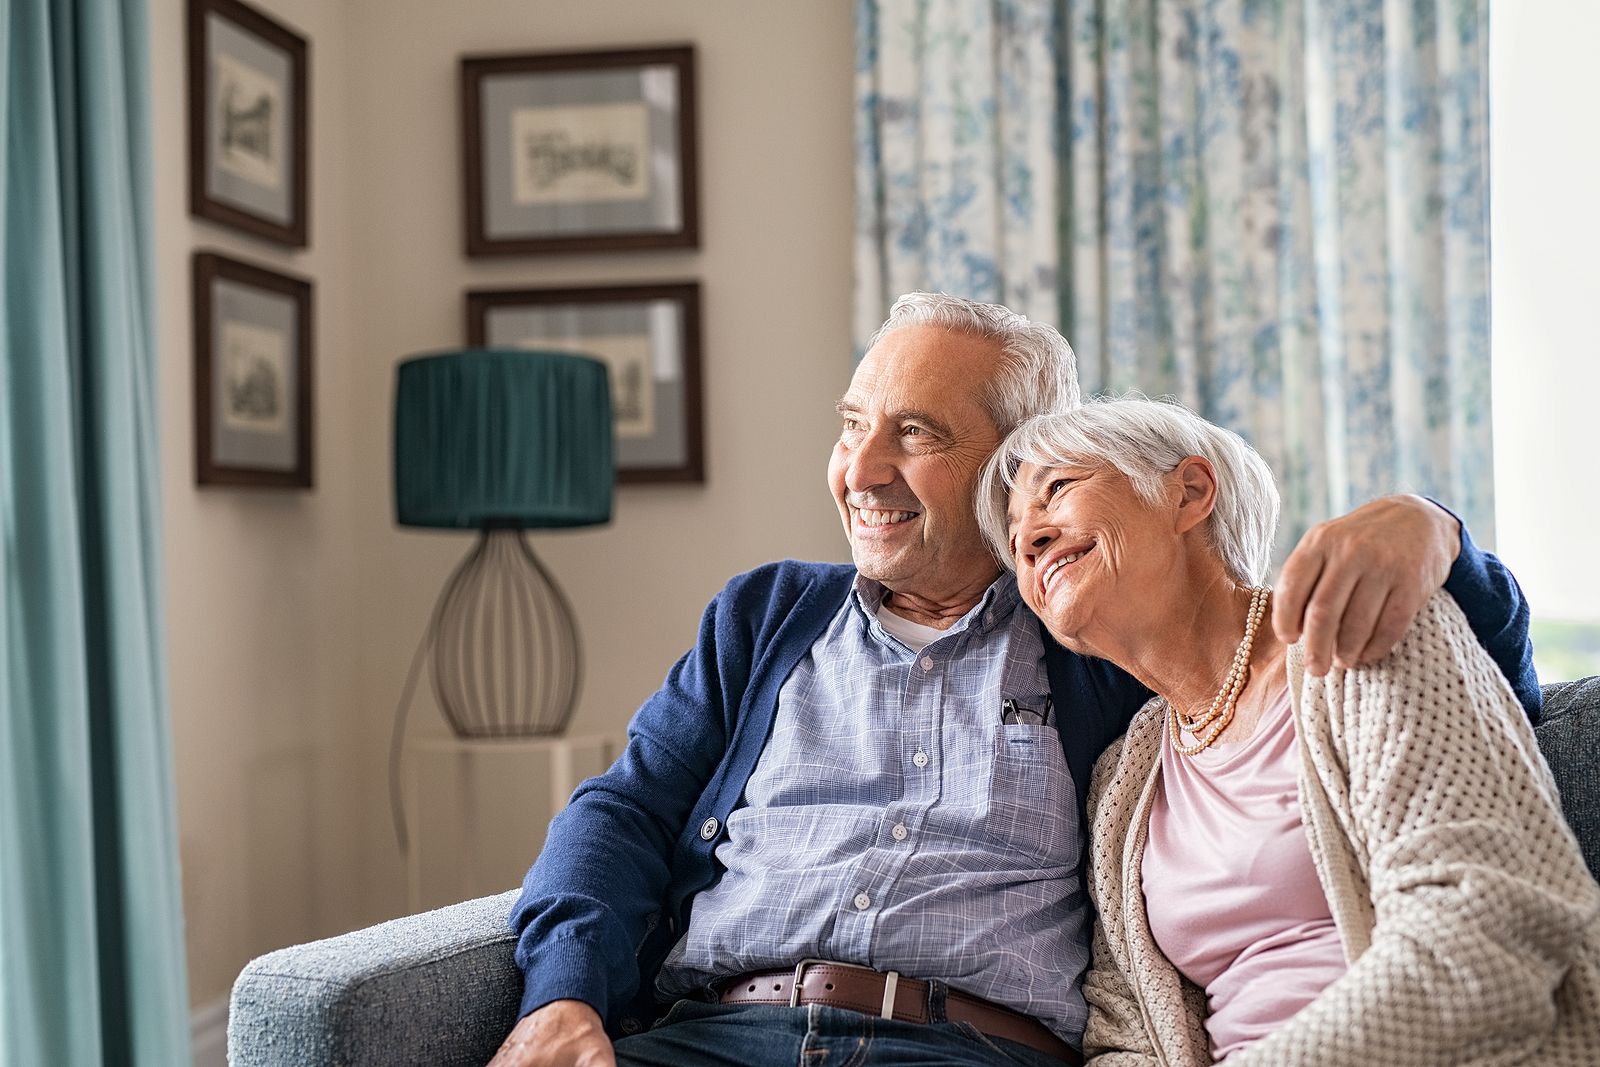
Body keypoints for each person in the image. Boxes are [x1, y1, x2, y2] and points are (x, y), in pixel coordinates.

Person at [489, 294, 1538, 1067]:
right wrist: (564, 992)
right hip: (710, 1036)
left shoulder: (1098, 642)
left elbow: (1421, 677)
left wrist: (1431, 527)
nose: (859, 468)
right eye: (853, 423)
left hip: (965, 1050)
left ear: (1013, 459)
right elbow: (620, 813)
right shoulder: (764, 617)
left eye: (915, 432)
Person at [983, 396, 1598, 1066]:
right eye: (1014, 535)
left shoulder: (1367, 637)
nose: (1029, 538)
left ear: (1189, 493)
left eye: (1058, 489)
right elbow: (1123, 1036)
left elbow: (1481, 940)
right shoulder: (1121, 784)